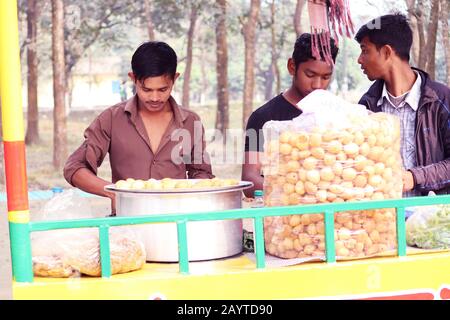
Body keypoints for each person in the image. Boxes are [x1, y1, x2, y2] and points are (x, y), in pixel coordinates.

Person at [64, 41, 214, 212]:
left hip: (178, 221)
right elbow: (75, 168)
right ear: (133, 78)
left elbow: (201, 174)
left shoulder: (190, 122)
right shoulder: (111, 119)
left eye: (163, 89)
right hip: (127, 224)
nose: (155, 97)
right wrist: (114, 193)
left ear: (175, 78)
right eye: (146, 90)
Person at [355, 13, 450, 196]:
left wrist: (415, 178)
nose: (359, 59)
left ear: (387, 52)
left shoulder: (441, 100)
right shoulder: (367, 106)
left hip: (430, 220)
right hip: (384, 219)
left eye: (365, 50)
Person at [242, 33, 339, 198]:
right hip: (284, 217)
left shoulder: (337, 115)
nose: (317, 85)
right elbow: (250, 179)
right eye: (310, 75)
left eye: (325, 77)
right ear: (292, 66)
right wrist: (296, 194)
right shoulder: (263, 117)